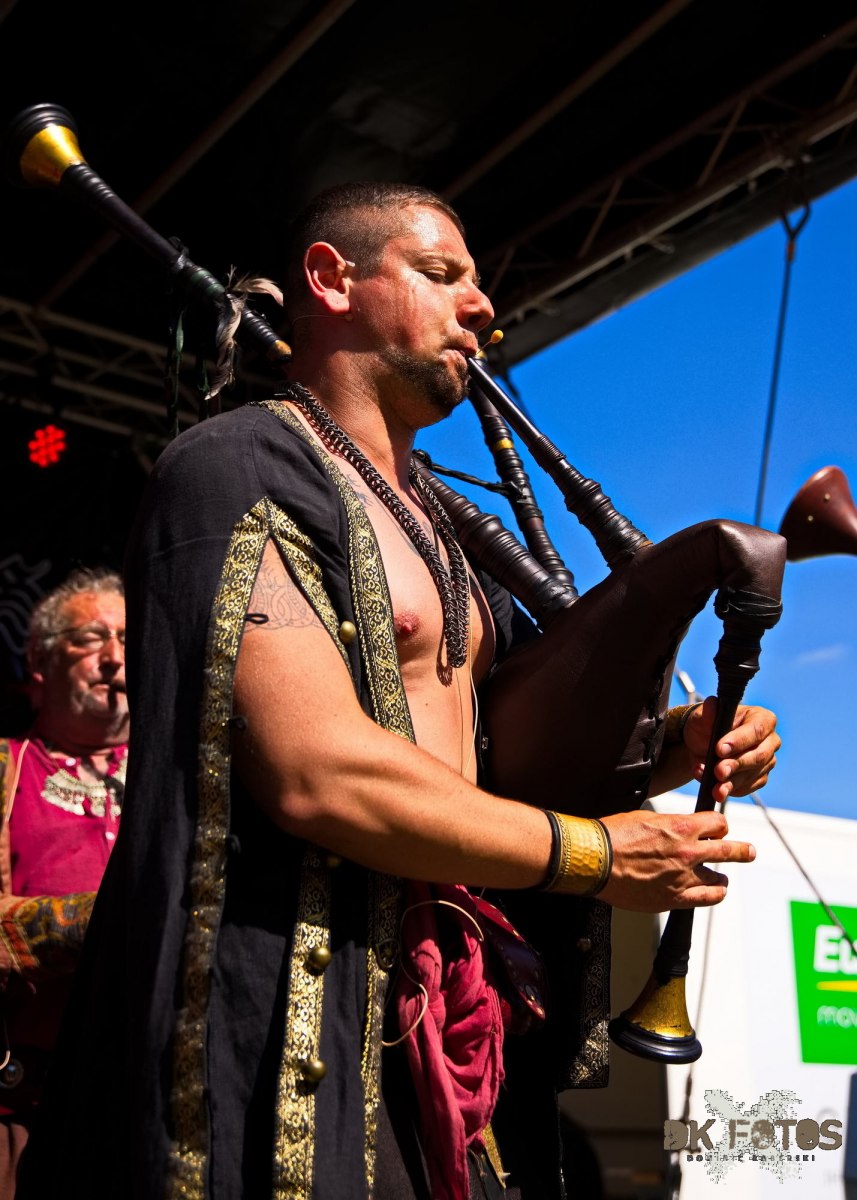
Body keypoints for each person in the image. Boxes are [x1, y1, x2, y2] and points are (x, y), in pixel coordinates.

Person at [17, 184, 779, 1200]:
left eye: (476, 283)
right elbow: (317, 771)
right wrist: (594, 855)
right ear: (331, 280)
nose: (481, 306)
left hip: (448, 1019)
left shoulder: (437, 522)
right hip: (285, 1021)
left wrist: (679, 741)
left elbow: (502, 751)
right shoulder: (233, 466)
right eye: (439, 273)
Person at [0, 566, 127, 1196]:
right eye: (89, 638)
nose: (115, 658)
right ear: (40, 664)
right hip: (31, 1104)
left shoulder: (194, 772)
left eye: (128, 640)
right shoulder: (5, 766)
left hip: (164, 1095)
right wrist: (122, 916)